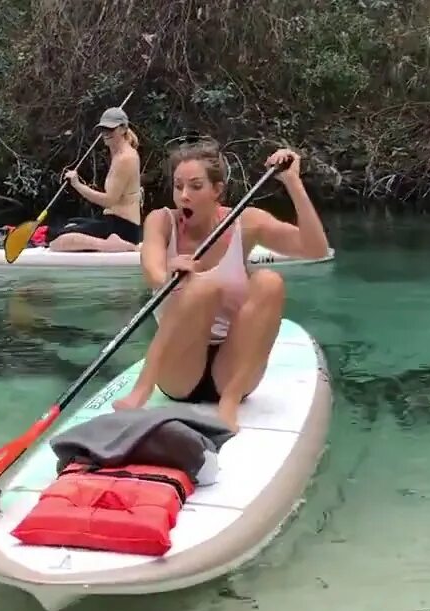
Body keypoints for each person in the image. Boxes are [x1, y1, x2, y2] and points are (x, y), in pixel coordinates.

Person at [110, 138, 332, 433]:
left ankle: (228, 403)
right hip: (180, 372)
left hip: (235, 370)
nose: (184, 196)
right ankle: (143, 387)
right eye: (178, 186)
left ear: (217, 190)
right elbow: (152, 270)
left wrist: (292, 182)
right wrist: (168, 275)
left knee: (269, 281)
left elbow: (316, 249)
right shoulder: (161, 221)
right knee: (204, 287)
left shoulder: (246, 222)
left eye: (196, 186)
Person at [46, 107, 143, 253]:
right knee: (68, 225)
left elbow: (109, 200)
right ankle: (108, 242)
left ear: (123, 129)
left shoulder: (125, 158)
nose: (105, 133)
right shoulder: (117, 153)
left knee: (57, 241)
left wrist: (77, 185)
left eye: (110, 129)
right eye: (103, 129)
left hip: (124, 229)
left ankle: (115, 245)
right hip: (113, 222)